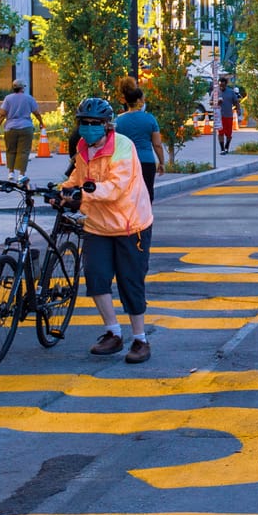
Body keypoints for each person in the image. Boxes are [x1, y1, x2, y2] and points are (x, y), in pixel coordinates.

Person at [61, 97, 154, 364]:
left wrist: (80, 196)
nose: (88, 128)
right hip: (98, 225)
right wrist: (62, 191)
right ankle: (112, 333)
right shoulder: (82, 148)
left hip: (130, 224)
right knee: (96, 278)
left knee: (130, 282)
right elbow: (78, 179)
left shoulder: (123, 147)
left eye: (95, 124)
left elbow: (115, 188)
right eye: (84, 123)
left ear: (107, 125)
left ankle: (140, 339)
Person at [114, 77, 164, 198]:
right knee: (146, 194)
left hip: (126, 162)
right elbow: (157, 144)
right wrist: (162, 162)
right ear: (139, 100)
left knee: (127, 195)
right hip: (146, 161)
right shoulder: (150, 119)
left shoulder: (118, 121)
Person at [0, 80, 42, 181]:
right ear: (22, 88)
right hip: (26, 128)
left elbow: (2, 114)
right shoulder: (29, 98)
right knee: (23, 151)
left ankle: (11, 173)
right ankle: (21, 174)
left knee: (10, 150)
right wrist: (41, 122)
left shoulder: (8, 98)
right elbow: (36, 113)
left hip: (10, 128)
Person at [214, 76, 241, 154]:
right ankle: (222, 149)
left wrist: (238, 109)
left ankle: (227, 146)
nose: (221, 87)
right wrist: (216, 103)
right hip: (219, 116)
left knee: (228, 134)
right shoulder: (215, 92)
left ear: (226, 84)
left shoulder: (231, 92)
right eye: (220, 85)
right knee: (220, 133)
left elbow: (236, 102)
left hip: (228, 116)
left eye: (223, 85)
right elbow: (210, 102)